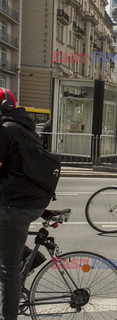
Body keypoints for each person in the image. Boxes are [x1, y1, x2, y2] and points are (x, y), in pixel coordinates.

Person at [0, 88, 52, 320]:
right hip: (31, 199)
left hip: (17, 204)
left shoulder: (6, 130)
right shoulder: (22, 128)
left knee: (8, 270)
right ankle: (30, 255)